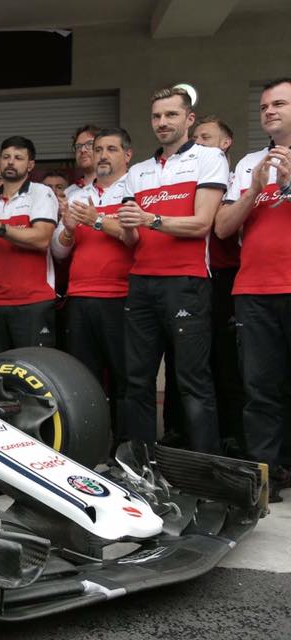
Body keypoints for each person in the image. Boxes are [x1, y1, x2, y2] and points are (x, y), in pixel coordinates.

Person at [116, 86, 228, 454]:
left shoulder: (209, 158)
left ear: (189, 119)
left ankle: (203, 469)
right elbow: (133, 239)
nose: (162, 122)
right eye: (156, 116)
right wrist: (129, 226)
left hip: (187, 282)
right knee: (137, 381)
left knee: (192, 381)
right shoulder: (138, 171)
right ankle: (142, 465)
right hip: (142, 282)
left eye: (171, 115)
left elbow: (201, 225)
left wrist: (149, 218)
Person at [215, 78, 291, 501]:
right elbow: (223, 228)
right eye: (264, 106)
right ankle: (267, 475)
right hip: (254, 289)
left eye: (279, 103)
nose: (269, 111)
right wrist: (257, 190)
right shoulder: (247, 164)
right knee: (260, 386)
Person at [51, 128, 135, 443]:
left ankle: (125, 449)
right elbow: (59, 251)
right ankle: (92, 445)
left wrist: (97, 220)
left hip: (121, 296)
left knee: (125, 378)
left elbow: (135, 240)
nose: (102, 155)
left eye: (111, 149)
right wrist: (70, 230)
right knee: (84, 378)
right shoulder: (77, 195)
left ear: (127, 155)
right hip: (80, 297)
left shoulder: (135, 188)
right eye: (98, 149)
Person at [0, 136, 59, 359]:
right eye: (6, 157)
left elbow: (41, 238)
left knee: (36, 370)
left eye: (18, 158)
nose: (11, 162)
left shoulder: (41, 192)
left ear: (30, 165)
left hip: (33, 300)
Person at [190, 115, 244, 451]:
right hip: (195, 278)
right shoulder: (193, 181)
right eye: (194, 138)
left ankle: (234, 437)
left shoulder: (238, 178)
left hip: (228, 278)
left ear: (225, 143)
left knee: (229, 362)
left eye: (205, 137)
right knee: (199, 361)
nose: (197, 144)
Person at [64, 124, 101, 198]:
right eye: (78, 146)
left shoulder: (117, 187)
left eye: (89, 144)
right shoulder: (68, 193)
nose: (82, 150)